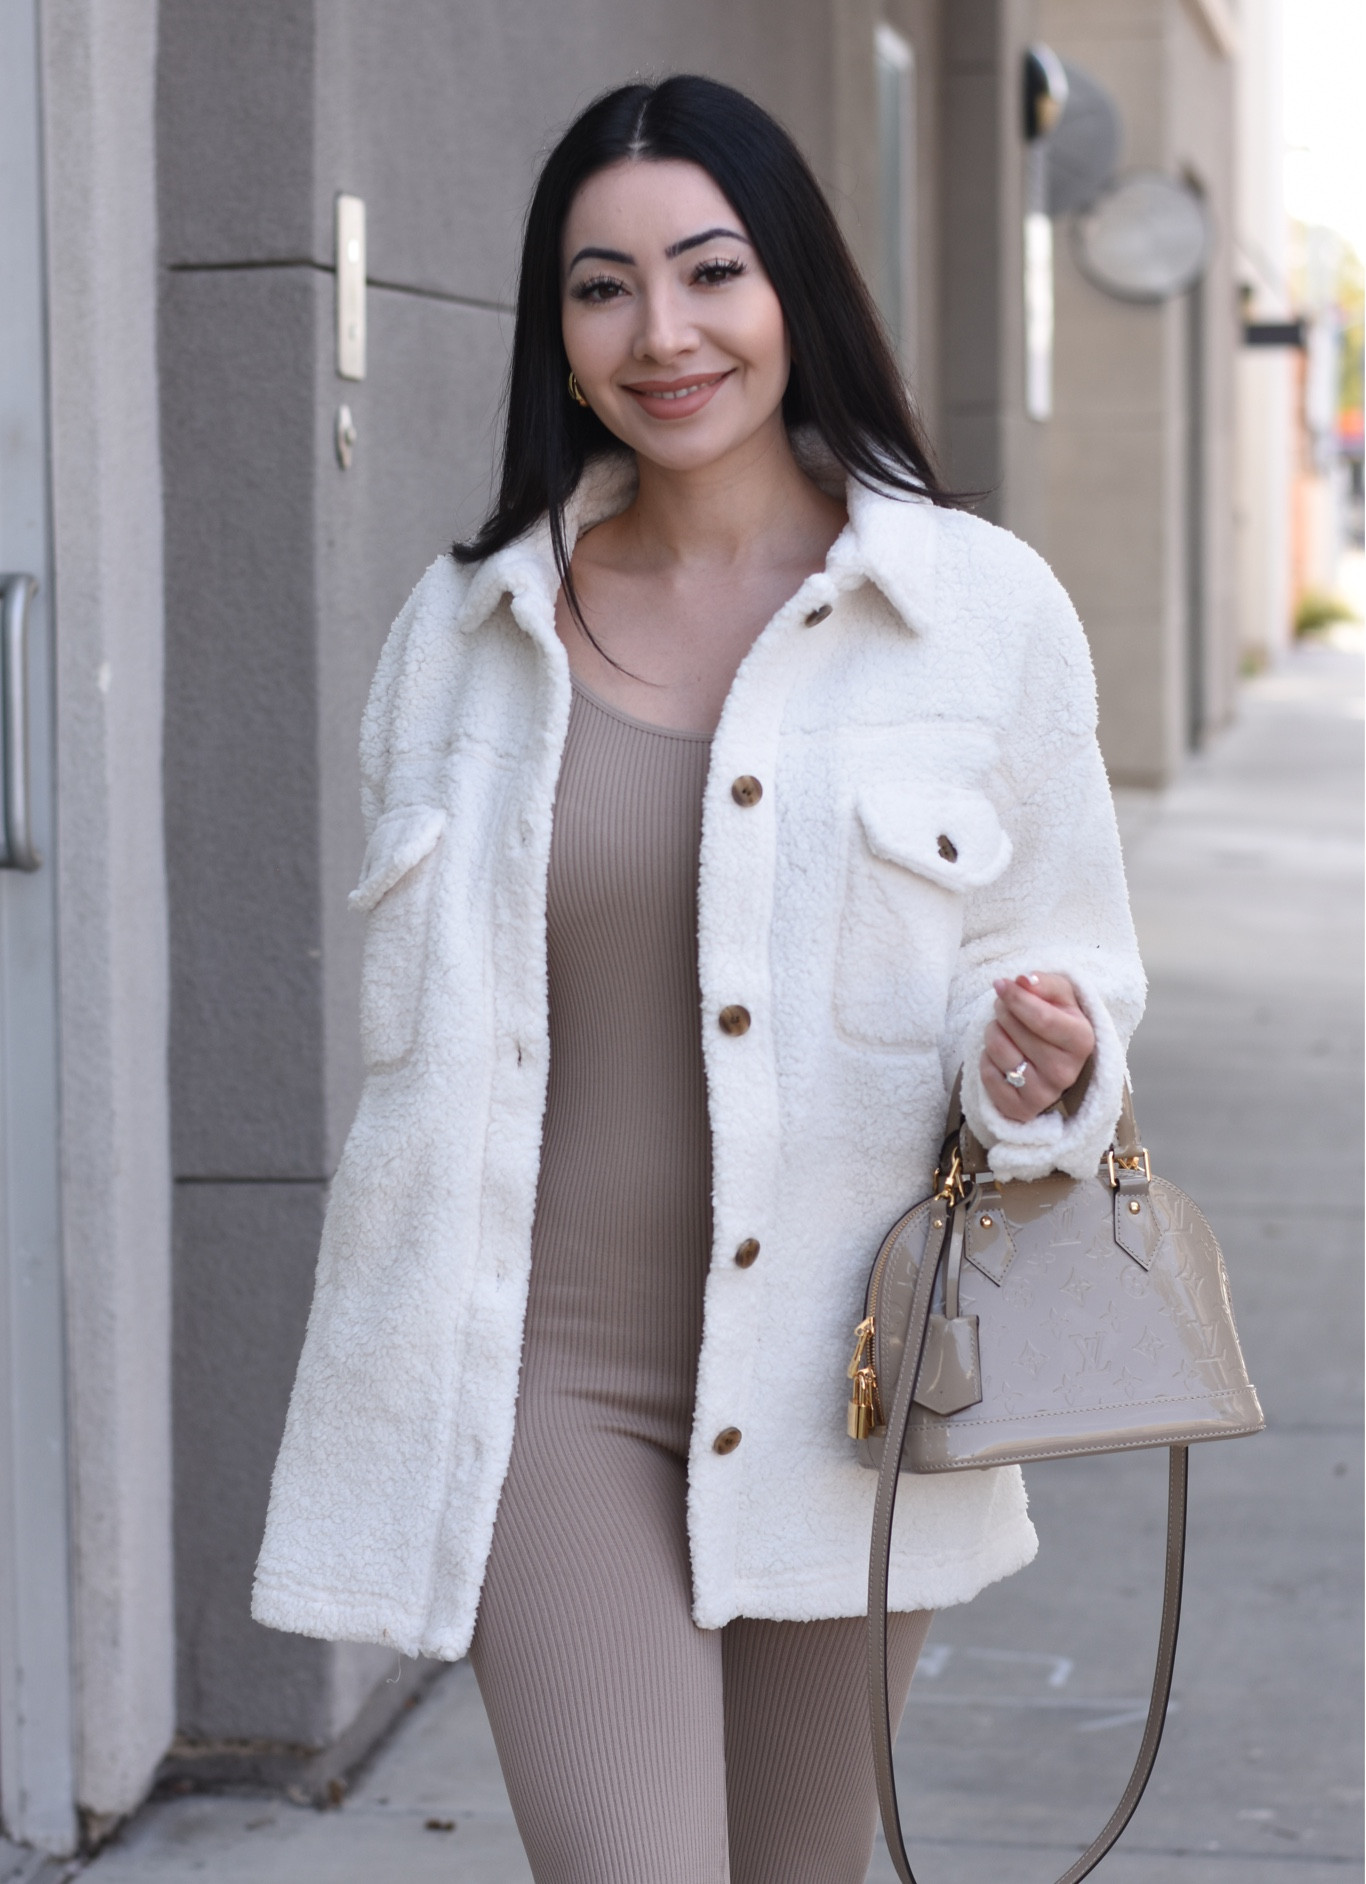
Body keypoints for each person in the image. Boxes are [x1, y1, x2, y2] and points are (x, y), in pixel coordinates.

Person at [254, 74, 1144, 1883]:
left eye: (710, 271)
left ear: (792, 287)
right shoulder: (469, 629)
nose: (662, 333)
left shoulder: (977, 613)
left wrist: (1040, 1067)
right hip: (535, 1380)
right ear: (558, 336)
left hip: (847, 1381)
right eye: (602, 288)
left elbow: (1062, 961)